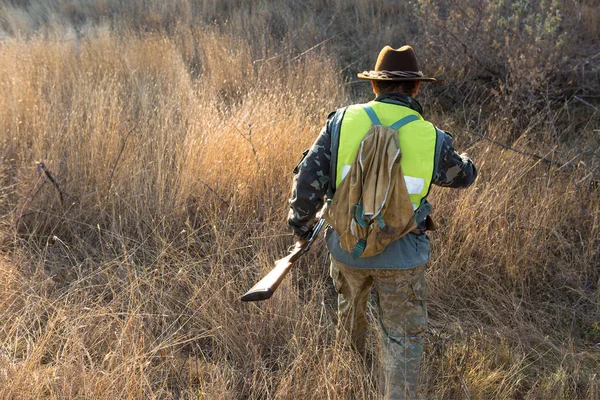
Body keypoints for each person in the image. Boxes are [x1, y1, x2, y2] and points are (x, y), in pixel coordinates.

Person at [288, 45, 477, 399]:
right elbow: (463, 177)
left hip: (346, 249)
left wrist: (300, 227)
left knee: (350, 320)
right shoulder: (432, 136)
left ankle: (352, 382)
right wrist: (466, 159)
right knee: (403, 337)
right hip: (403, 256)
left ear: (374, 86)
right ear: (417, 89)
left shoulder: (341, 122)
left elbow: (306, 181)